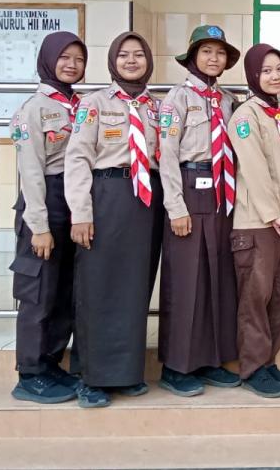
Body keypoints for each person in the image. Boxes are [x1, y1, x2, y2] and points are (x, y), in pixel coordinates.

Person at [64, 31, 163, 408]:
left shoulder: (156, 107)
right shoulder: (94, 104)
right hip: (106, 195)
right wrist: (81, 212)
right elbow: (77, 158)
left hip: (145, 199)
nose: (132, 61)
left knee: (135, 287)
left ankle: (126, 372)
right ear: (112, 61)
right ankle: (93, 377)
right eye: (124, 55)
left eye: (139, 54)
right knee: (98, 287)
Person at [156, 25, 242, 397]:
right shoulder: (177, 98)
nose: (213, 58)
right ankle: (177, 366)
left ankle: (210, 359)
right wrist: (175, 206)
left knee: (217, 277)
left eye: (219, 53)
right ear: (192, 57)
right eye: (206, 51)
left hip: (222, 191)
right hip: (190, 188)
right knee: (186, 279)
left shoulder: (228, 100)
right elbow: (167, 155)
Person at [227, 44, 280, 398]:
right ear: (253, 76)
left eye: (279, 69)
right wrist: (272, 214)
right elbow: (254, 170)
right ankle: (251, 367)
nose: (275, 76)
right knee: (256, 296)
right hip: (257, 222)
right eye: (266, 71)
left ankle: (268, 360)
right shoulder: (245, 117)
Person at [9, 32, 87, 404]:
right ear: (48, 60)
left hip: (76, 201)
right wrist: (39, 226)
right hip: (46, 201)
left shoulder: (81, 106)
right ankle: (30, 373)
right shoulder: (34, 109)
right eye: (64, 57)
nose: (72, 65)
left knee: (64, 292)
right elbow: (31, 171)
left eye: (79, 59)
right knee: (39, 293)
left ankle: (51, 363)